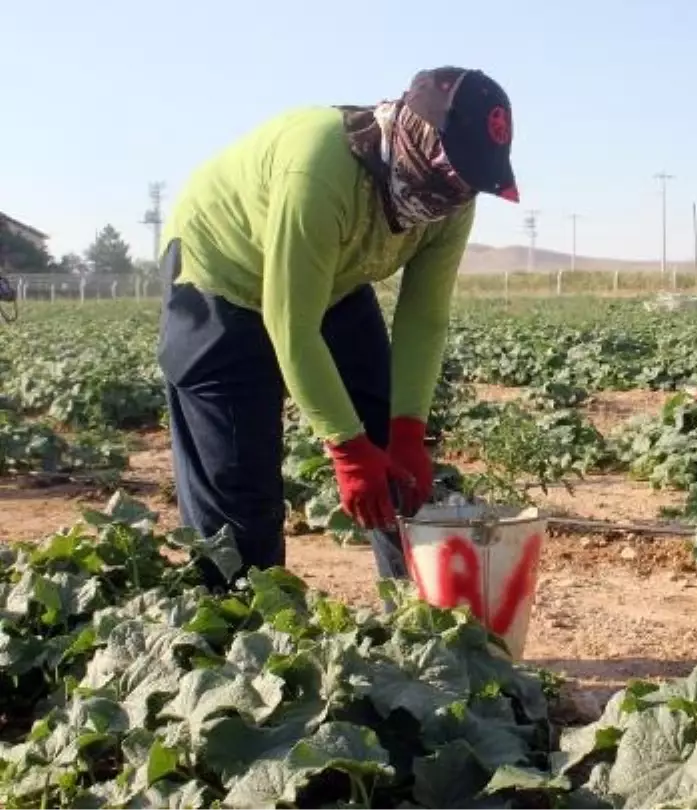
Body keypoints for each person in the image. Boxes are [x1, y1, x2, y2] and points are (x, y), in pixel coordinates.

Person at [156, 66, 518, 586]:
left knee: (395, 457)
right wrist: (346, 451)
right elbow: (291, 326)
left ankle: (420, 616)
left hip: (334, 283)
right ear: (415, 140)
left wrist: (408, 431)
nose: (453, 195)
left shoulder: (453, 199)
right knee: (239, 487)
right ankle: (233, 633)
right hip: (220, 276)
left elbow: (424, 316)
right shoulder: (320, 171)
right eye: (451, 176)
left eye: (468, 183)